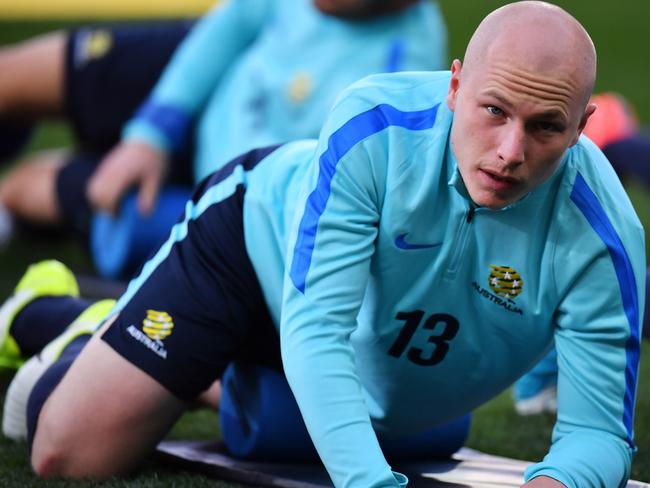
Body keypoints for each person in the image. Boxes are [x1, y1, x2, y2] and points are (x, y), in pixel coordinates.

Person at [0, 1, 645, 486]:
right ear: (454, 88)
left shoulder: (605, 236)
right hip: (251, 251)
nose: (510, 152)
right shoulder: (372, 127)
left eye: (545, 126)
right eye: (493, 111)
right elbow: (316, 333)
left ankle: (200, 370)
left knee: (412, 431)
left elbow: (597, 433)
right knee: (66, 454)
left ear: (583, 126)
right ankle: (73, 320)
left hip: (383, 364)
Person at [0, 0, 447, 242]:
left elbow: (299, 188)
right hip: (201, 71)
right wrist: (150, 133)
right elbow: (228, 27)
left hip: (225, 183)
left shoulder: (400, 73)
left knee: (29, 189)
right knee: (10, 79)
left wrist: (209, 207)